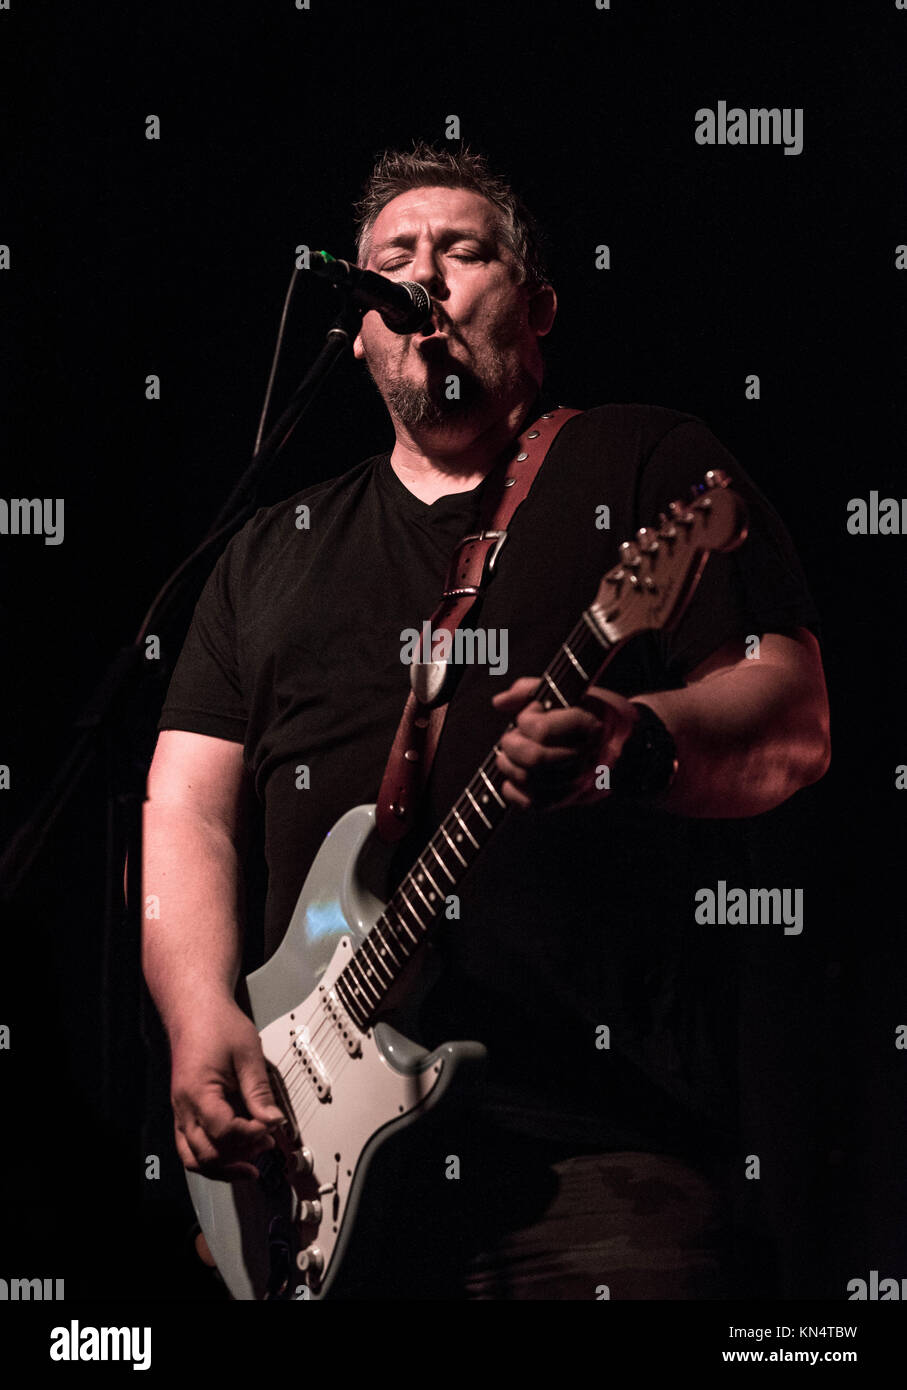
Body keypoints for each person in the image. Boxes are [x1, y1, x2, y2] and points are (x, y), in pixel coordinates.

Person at [142, 142, 830, 1299]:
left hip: (599, 1156)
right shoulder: (269, 550)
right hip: (310, 1170)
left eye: (462, 252)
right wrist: (199, 1016)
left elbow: (793, 713)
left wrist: (631, 736)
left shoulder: (644, 458)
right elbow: (188, 810)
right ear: (360, 326)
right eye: (392, 263)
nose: (427, 280)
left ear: (538, 302)